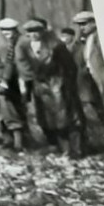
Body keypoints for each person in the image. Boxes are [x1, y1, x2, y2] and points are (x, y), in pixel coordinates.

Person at [19, 20, 83, 156]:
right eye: (30, 32)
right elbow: (26, 67)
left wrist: (67, 84)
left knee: (68, 118)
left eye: (37, 31)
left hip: (58, 84)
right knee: (49, 120)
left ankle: (77, 149)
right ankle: (62, 148)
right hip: (41, 87)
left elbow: (70, 66)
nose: (34, 34)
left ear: (43, 31)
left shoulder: (56, 46)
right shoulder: (26, 47)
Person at [74, 10, 104, 151]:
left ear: (94, 23)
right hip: (98, 84)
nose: (81, 28)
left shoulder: (101, 38)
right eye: (79, 25)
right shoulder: (85, 41)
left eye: (84, 24)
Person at [0, 18, 27, 151]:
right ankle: (7, 139)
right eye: (3, 30)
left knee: (10, 113)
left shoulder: (8, 46)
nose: (6, 32)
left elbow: (9, 65)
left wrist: (5, 82)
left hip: (6, 84)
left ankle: (18, 143)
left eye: (9, 30)